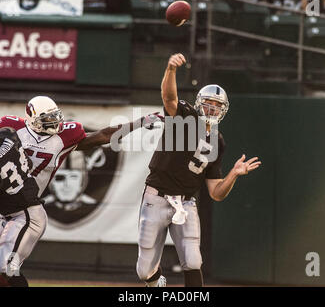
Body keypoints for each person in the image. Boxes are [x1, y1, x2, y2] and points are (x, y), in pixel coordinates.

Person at [0, 95, 162, 287]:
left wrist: (140, 122)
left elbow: (103, 135)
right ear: (32, 120)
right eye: (47, 119)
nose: (54, 123)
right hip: (5, 206)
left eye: (55, 117)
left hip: (26, 209)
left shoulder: (66, 136)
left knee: (7, 268)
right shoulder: (11, 127)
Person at [136, 53, 262, 287]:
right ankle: (157, 284)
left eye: (217, 107)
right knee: (144, 271)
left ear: (223, 111)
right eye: (208, 104)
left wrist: (233, 174)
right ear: (198, 103)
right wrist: (171, 69)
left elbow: (216, 193)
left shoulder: (218, 141)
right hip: (156, 197)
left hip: (186, 203)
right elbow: (169, 98)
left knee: (193, 261)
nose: (212, 110)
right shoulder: (184, 116)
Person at [0, 127, 44, 287]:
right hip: (11, 213)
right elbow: (29, 163)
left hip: (25, 216)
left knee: (7, 269)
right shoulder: (9, 134)